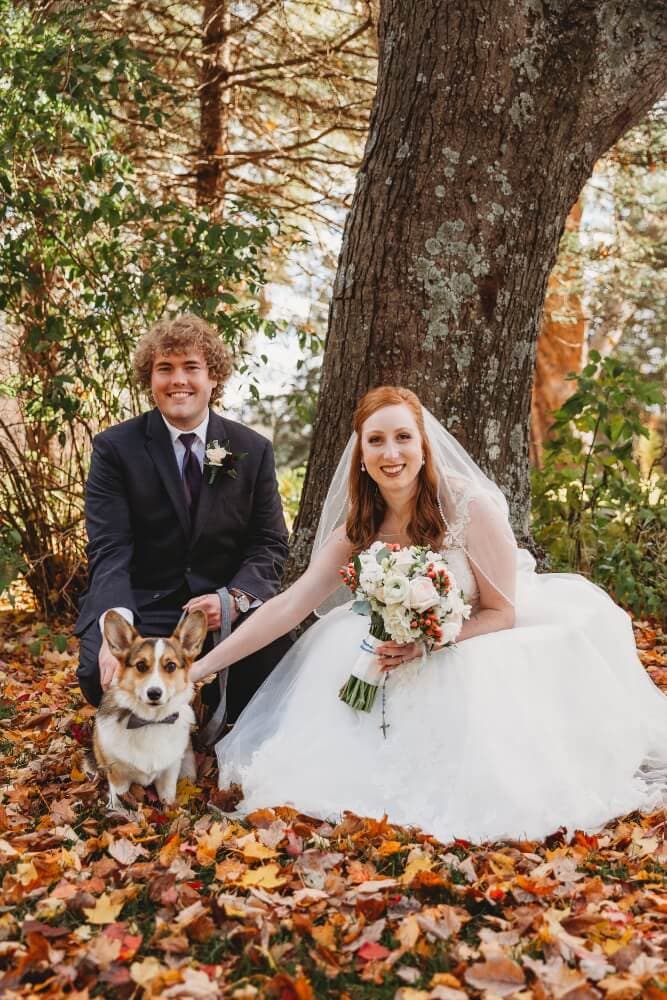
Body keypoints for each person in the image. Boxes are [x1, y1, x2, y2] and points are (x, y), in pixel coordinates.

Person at [190, 386, 667, 842]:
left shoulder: (469, 508)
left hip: (476, 640)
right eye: (375, 441)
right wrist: (202, 668)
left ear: (423, 445)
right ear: (360, 454)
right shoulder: (360, 525)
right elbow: (288, 605)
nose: (390, 453)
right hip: (391, 646)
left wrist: (426, 642)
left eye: (403, 437)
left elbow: (502, 612)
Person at [75, 313, 292, 739]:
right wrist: (114, 628)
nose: (179, 381)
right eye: (165, 369)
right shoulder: (115, 449)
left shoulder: (251, 449)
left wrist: (232, 598)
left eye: (191, 367)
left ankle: (212, 712)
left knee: (278, 662)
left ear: (213, 378)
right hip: (146, 604)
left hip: (222, 610)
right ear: (149, 378)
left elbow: (268, 542)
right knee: (92, 673)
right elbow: (109, 547)